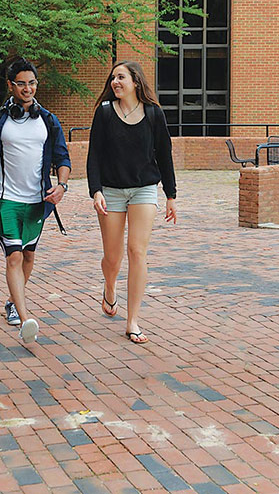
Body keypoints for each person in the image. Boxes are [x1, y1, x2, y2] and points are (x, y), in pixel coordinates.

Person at [0, 59, 70, 344]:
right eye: (22, 83)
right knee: (13, 255)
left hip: (38, 202)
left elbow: (63, 157)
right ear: (10, 85)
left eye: (32, 83)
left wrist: (61, 186)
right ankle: (25, 317)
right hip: (6, 199)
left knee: (27, 256)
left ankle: (13, 301)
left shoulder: (48, 120)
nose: (28, 88)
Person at [86, 61, 177, 345]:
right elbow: (94, 155)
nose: (115, 82)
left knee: (137, 250)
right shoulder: (103, 114)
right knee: (113, 258)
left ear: (135, 81)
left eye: (121, 77)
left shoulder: (154, 114)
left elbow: (165, 154)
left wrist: (171, 195)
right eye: (113, 78)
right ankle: (110, 287)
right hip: (111, 191)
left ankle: (133, 321)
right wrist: (96, 191)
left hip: (144, 190)